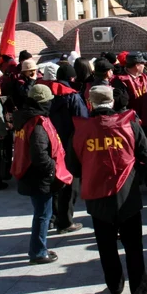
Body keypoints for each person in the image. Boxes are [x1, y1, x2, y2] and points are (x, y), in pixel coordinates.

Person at [70, 86, 147, 294]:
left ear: (90, 103)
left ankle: (115, 286)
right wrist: (134, 180)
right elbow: (146, 156)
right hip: (127, 196)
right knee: (134, 246)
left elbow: (73, 166)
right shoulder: (129, 125)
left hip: (97, 198)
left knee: (106, 246)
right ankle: (139, 291)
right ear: (112, 102)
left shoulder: (81, 130)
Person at [12, 84, 73, 265]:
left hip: (29, 173)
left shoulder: (24, 117)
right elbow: (39, 155)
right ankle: (38, 252)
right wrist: (52, 168)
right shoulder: (37, 123)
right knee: (43, 214)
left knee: (41, 212)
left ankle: (39, 247)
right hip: (38, 176)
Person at [39, 67, 89, 233]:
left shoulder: (44, 95)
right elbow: (82, 121)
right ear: (72, 78)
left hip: (48, 143)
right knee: (69, 183)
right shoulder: (72, 95)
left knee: (53, 181)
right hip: (69, 144)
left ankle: (52, 218)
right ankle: (65, 221)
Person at [112, 52, 147, 196]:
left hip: (146, 121)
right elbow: (120, 105)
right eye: (142, 63)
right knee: (132, 154)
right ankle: (134, 183)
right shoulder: (120, 81)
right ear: (136, 65)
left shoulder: (144, 77)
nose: (145, 66)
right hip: (130, 124)